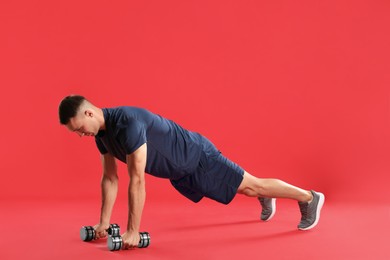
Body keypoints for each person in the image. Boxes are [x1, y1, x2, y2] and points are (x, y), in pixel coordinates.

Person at [59, 95, 325, 249]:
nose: (82, 135)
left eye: (80, 128)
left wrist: (133, 231)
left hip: (197, 157)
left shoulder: (127, 123)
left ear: (89, 112)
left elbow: (137, 179)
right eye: (76, 132)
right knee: (246, 187)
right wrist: (104, 223)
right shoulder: (101, 135)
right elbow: (110, 178)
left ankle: (310, 198)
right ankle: (263, 195)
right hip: (180, 171)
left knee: (251, 185)